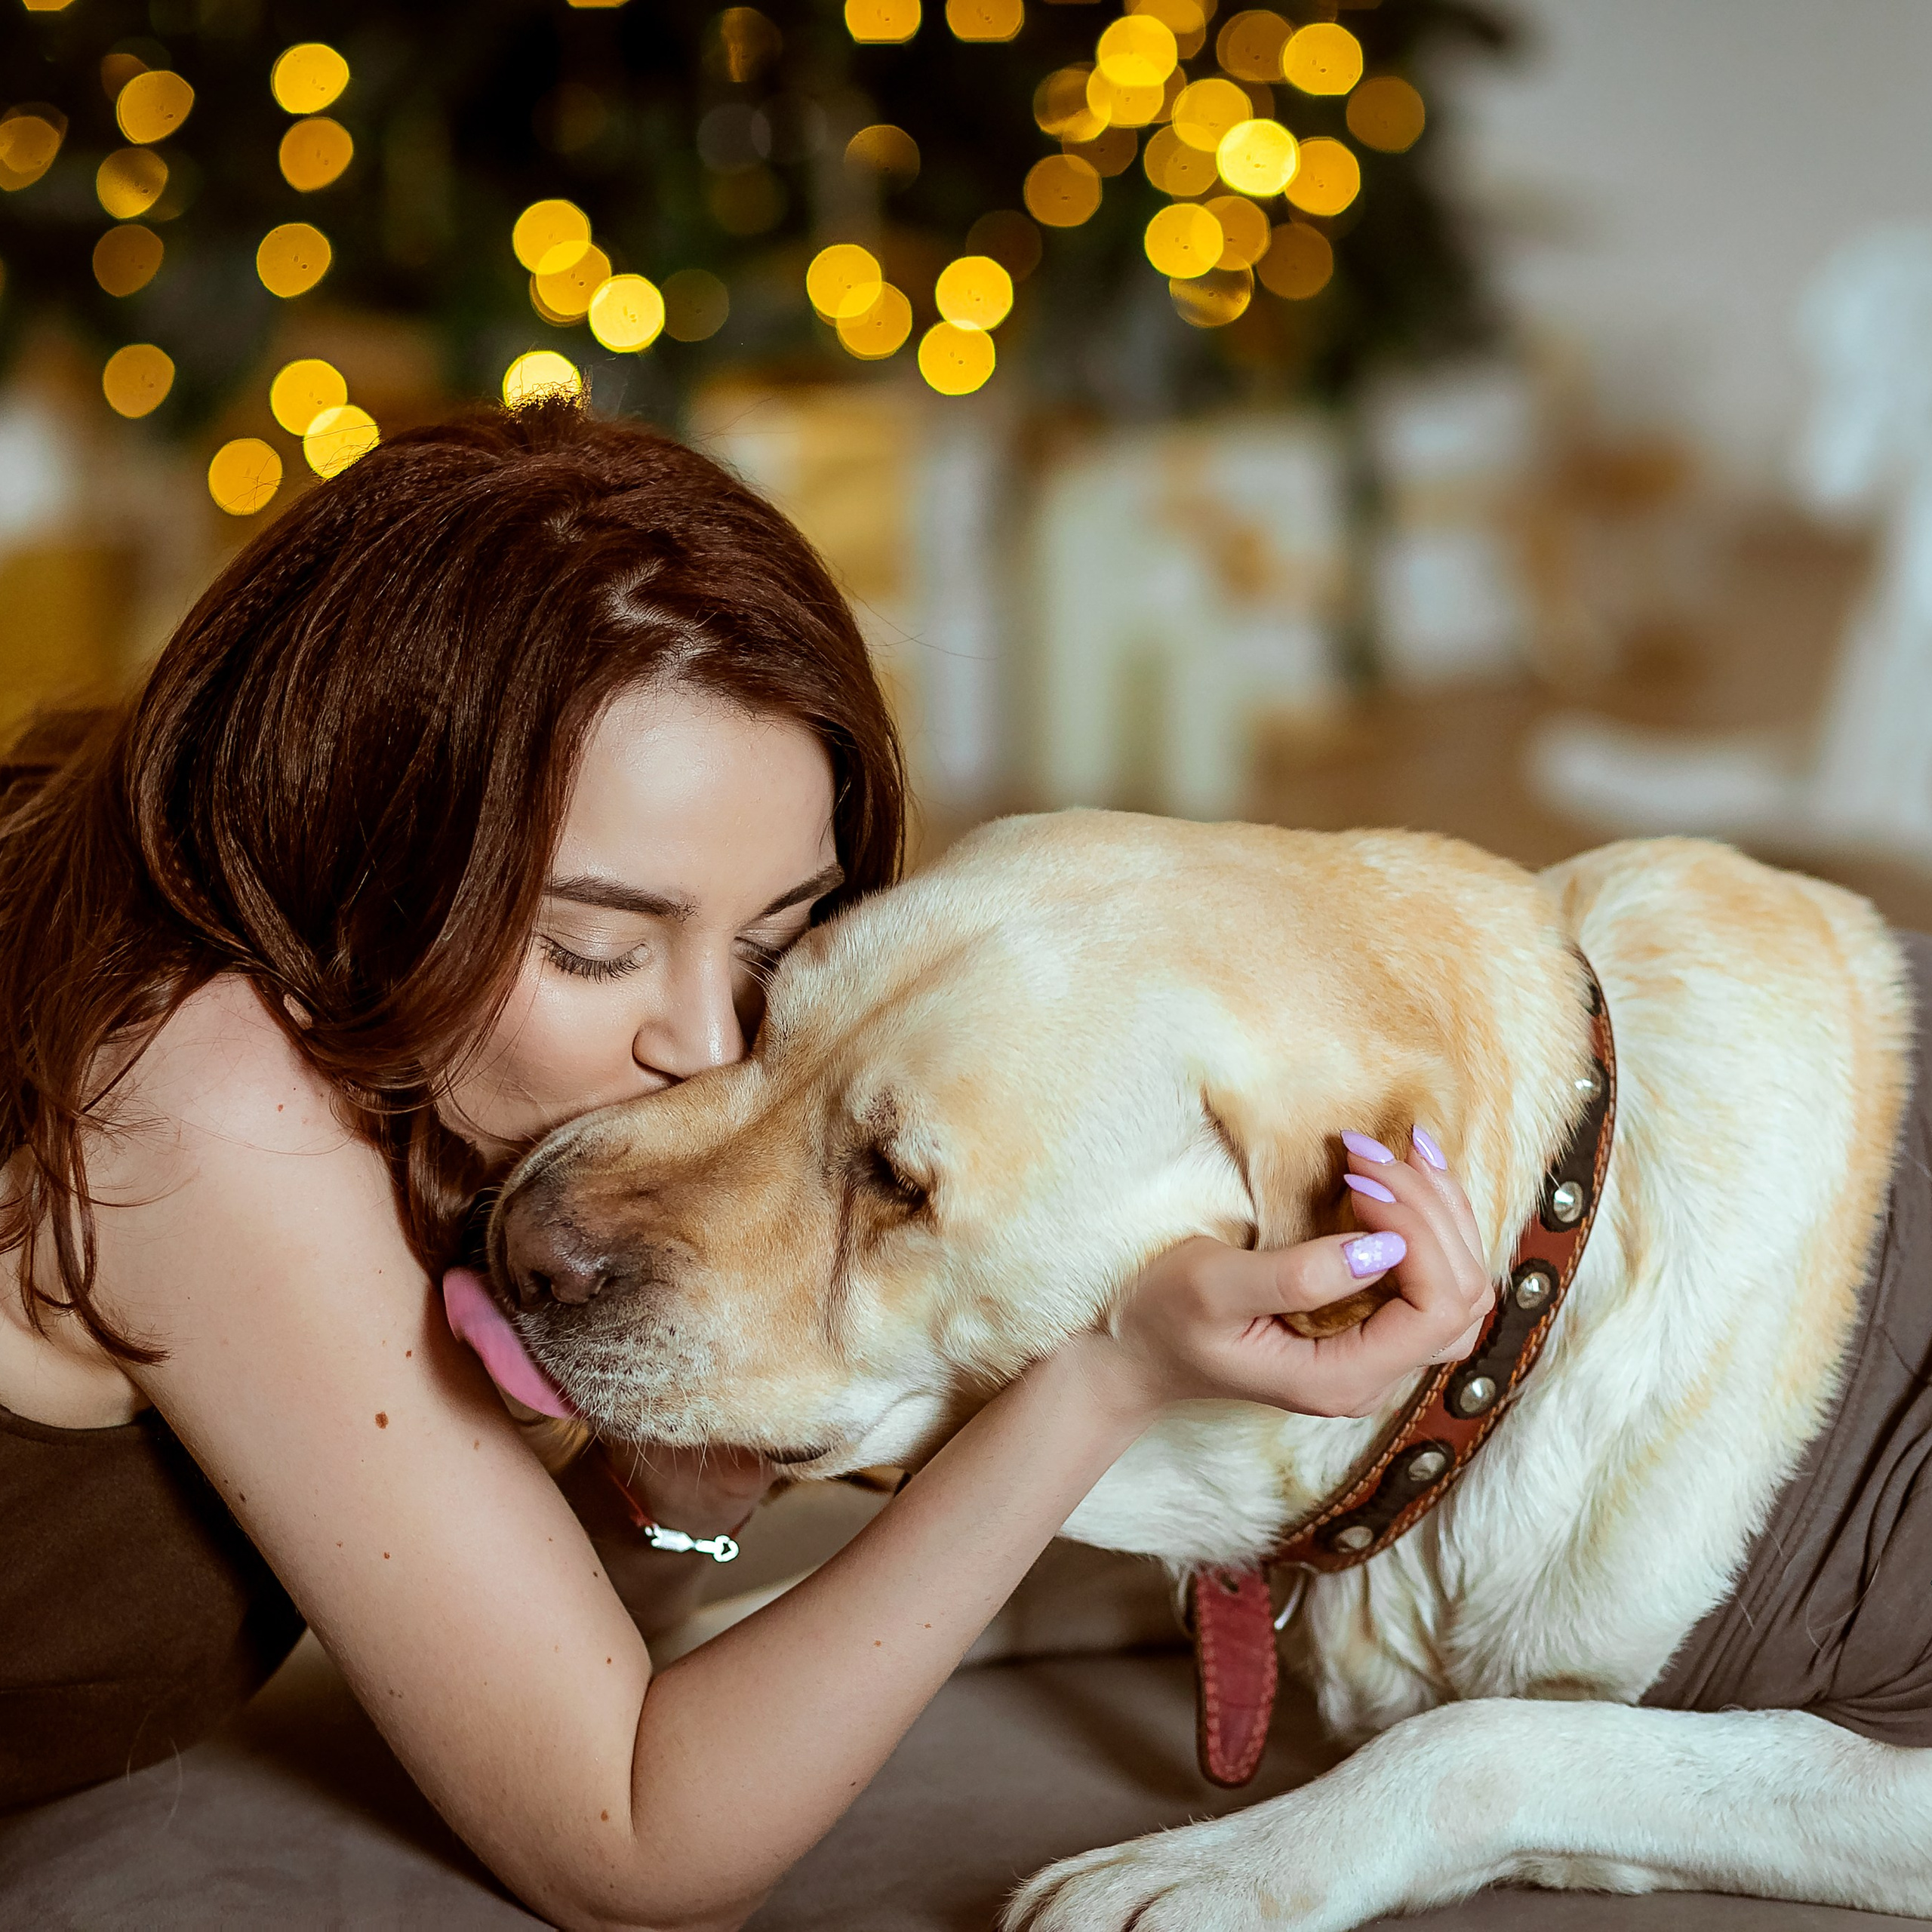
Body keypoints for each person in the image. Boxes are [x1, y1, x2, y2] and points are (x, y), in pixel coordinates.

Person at [0, 401, 1494, 1930]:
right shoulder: (208, 1095)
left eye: (778, 951)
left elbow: (558, 1651)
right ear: (349, 849)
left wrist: (680, 1481)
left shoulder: (372, 1057)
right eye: (596, 946)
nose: (712, 1045)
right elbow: (634, 1847)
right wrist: (1102, 1381)